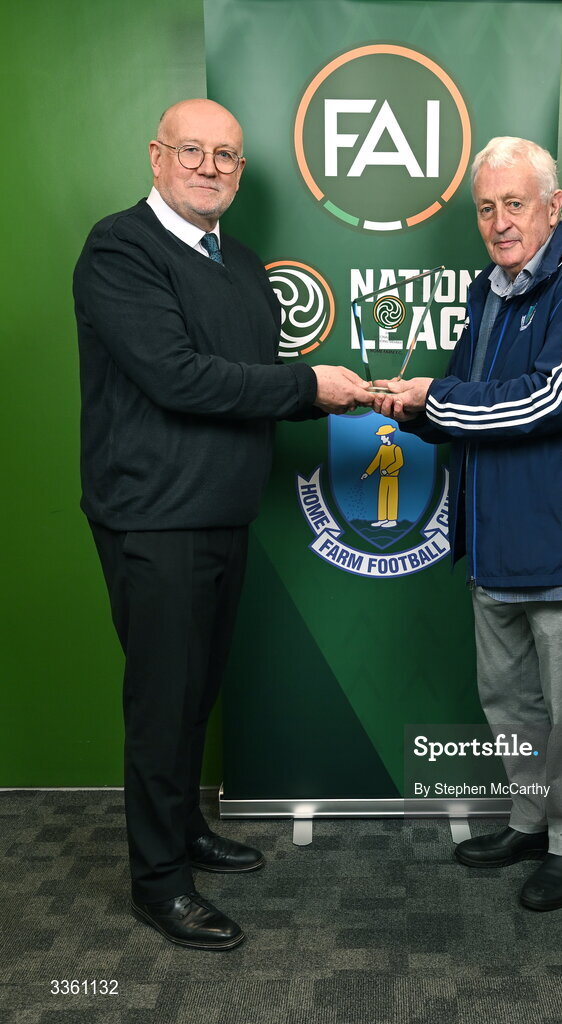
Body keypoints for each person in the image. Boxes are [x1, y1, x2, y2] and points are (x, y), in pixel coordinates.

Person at [73, 98, 372, 951]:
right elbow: (180, 378)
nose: (211, 167)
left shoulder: (240, 263)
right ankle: (158, 883)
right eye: (194, 151)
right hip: (153, 519)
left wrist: (352, 397)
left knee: (197, 689)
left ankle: (185, 833)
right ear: (158, 155)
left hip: (222, 512)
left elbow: (250, 381)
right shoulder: (119, 249)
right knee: (162, 704)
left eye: (228, 156)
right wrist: (308, 386)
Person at [373, 137, 562, 911]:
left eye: (514, 204)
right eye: (486, 207)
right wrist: (411, 409)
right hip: (492, 548)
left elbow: (552, 399)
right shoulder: (490, 290)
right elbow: (466, 397)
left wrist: (437, 401)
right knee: (509, 707)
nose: (499, 221)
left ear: (554, 206)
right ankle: (529, 820)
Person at [361, 423, 404, 527]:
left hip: (392, 478)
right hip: (383, 478)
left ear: (388, 436)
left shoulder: (396, 449)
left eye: (382, 436)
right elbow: (376, 462)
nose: (381, 438)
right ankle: (382, 519)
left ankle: (392, 520)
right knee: (382, 497)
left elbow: (399, 462)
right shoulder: (382, 448)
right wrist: (367, 473)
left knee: (392, 498)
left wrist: (388, 470)